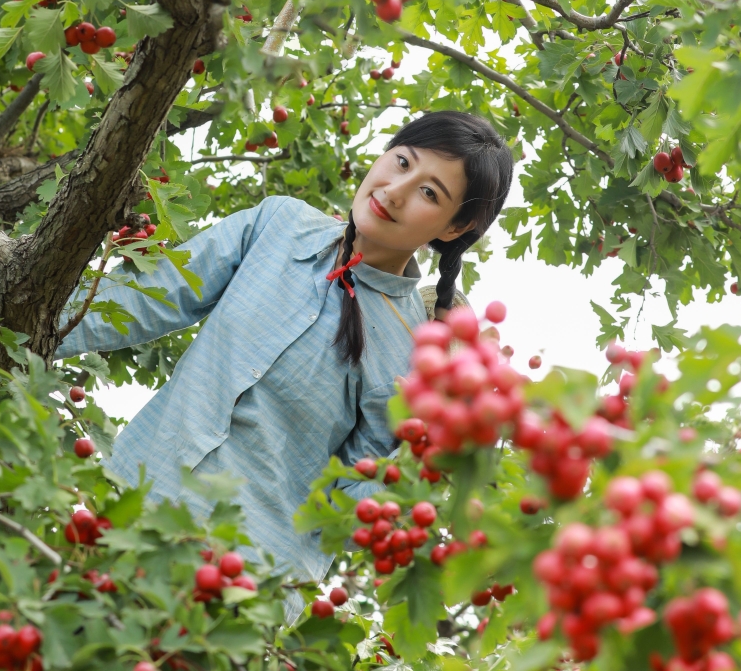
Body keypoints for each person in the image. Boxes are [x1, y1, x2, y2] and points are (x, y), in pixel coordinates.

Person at [56, 111, 513, 584]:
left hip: (239, 583)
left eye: (429, 192)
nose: (396, 190)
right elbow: (144, 298)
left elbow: (344, 510)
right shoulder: (279, 224)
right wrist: (6, 320)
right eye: (402, 162)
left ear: (454, 228)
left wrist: (425, 444)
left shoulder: (414, 359)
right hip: (121, 506)